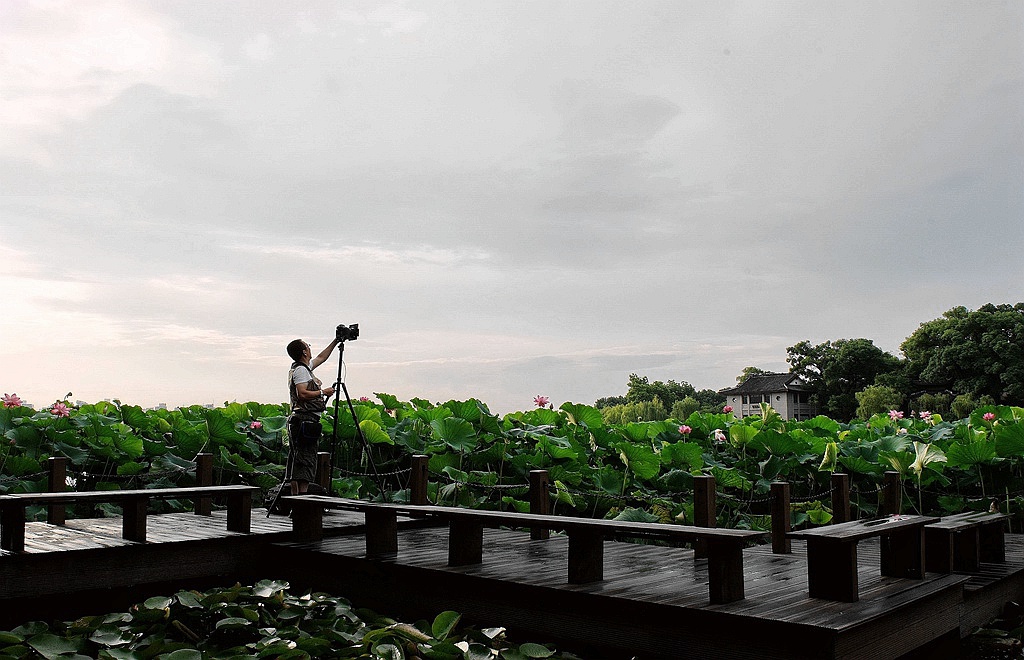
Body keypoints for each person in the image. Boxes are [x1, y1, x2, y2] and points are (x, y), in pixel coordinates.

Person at [285, 336, 339, 495]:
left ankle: (298, 500)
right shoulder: (301, 371)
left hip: (303, 420)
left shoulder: (302, 367)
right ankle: (301, 501)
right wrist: (323, 392)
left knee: (299, 460)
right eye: (307, 346)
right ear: (304, 352)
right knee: (304, 461)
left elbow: (322, 357)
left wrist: (336, 341)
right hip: (304, 421)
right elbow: (302, 393)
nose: (309, 347)